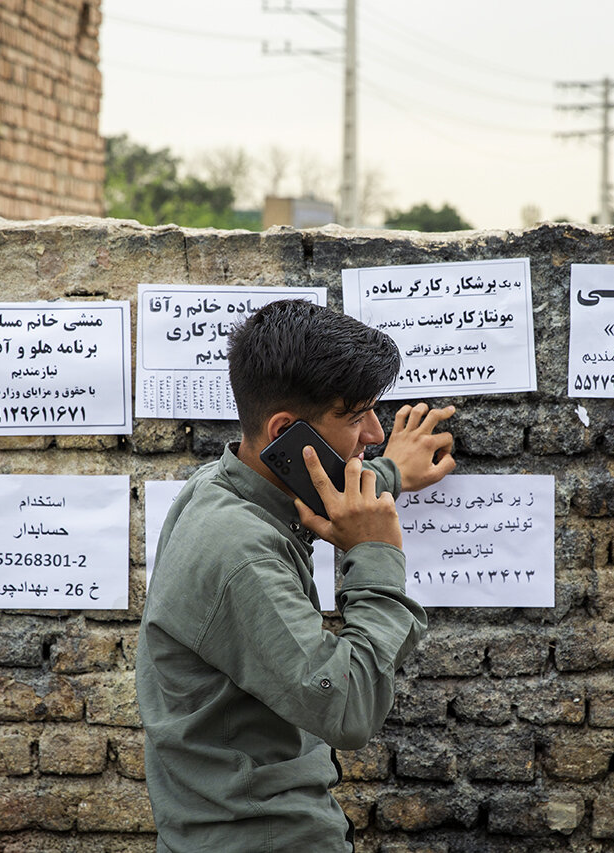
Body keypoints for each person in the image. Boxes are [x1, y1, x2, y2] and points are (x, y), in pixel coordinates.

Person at [136, 298, 456, 852]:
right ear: (286, 432)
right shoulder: (242, 556)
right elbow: (349, 707)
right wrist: (375, 556)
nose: (375, 434)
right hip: (265, 837)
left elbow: (312, 491)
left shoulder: (217, 485)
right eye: (356, 419)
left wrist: (388, 474)